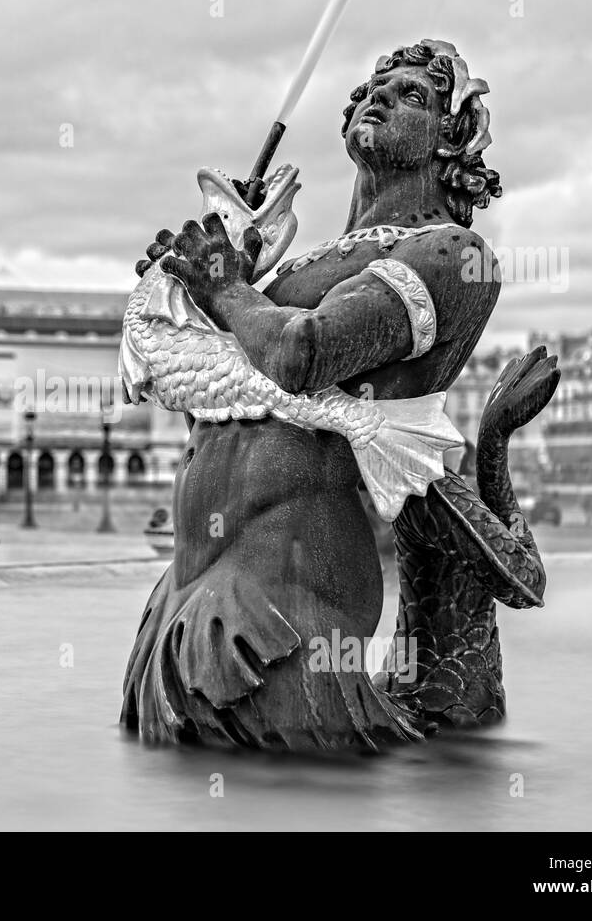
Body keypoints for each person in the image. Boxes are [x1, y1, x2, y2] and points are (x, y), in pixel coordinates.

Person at [122, 40, 524, 749]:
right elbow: (196, 381)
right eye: (375, 85)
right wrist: (180, 293)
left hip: (285, 616)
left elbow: (304, 353)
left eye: (412, 97)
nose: (380, 96)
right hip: (182, 599)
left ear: (450, 139)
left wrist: (226, 288)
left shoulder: (451, 254)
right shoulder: (285, 274)